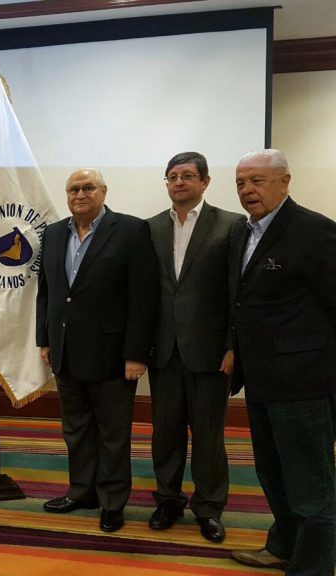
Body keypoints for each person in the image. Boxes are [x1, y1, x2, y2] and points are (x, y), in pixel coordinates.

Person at [229, 150, 336, 574]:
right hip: (261, 378)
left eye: (257, 180)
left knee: (311, 483)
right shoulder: (245, 232)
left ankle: (313, 567)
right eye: (240, 183)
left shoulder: (315, 230)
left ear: (285, 181)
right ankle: (284, 546)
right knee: (272, 474)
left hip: (304, 383)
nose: (247, 190)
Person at [36, 168, 158, 533]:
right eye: (73, 189)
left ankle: (112, 501)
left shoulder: (132, 230)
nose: (80, 194)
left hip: (112, 355)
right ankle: (81, 491)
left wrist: (136, 353)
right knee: (75, 430)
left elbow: (143, 297)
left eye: (88, 187)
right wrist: (45, 339)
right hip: (66, 352)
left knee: (112, 435)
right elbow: (47, 291)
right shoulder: (53, 233)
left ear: (103, 192)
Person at [147, 152, 243, 543]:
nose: (179, 182)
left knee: (208, 436)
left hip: (211, 352)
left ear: (205, 181)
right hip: (163, 350)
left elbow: (237, 292)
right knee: (165, 433)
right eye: (172, 176)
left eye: (187, 175)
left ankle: (209, 507)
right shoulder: (151, 227)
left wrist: (233, 345)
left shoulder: (232, 225)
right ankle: (168, 500)